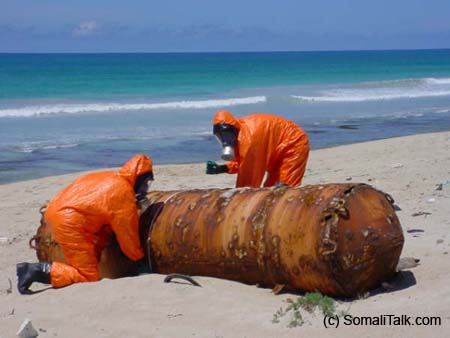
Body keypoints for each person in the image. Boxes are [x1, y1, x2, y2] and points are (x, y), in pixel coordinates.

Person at [16, 154, 154, 294]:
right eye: (145, 184)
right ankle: (35, 270)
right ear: (138, 178)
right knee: (88, 276)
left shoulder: (109, 176)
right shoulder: (123, 193)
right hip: (71, 221)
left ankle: (41, 269)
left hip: (57, 209)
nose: (145, 189)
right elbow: (128, 235)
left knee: (89, 259)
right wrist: (140, 260)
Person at [207, 111, 309, 188]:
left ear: (234, 130)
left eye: (226, 135)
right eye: (220, 137)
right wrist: (222, 168)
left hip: (294, 142)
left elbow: (248, 180)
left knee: (285, 187)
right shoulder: (240, 135)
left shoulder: (249, 140)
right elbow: (243, 163)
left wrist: (240, 200)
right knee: (269, 190)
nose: (225, 140)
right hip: (276, 150)